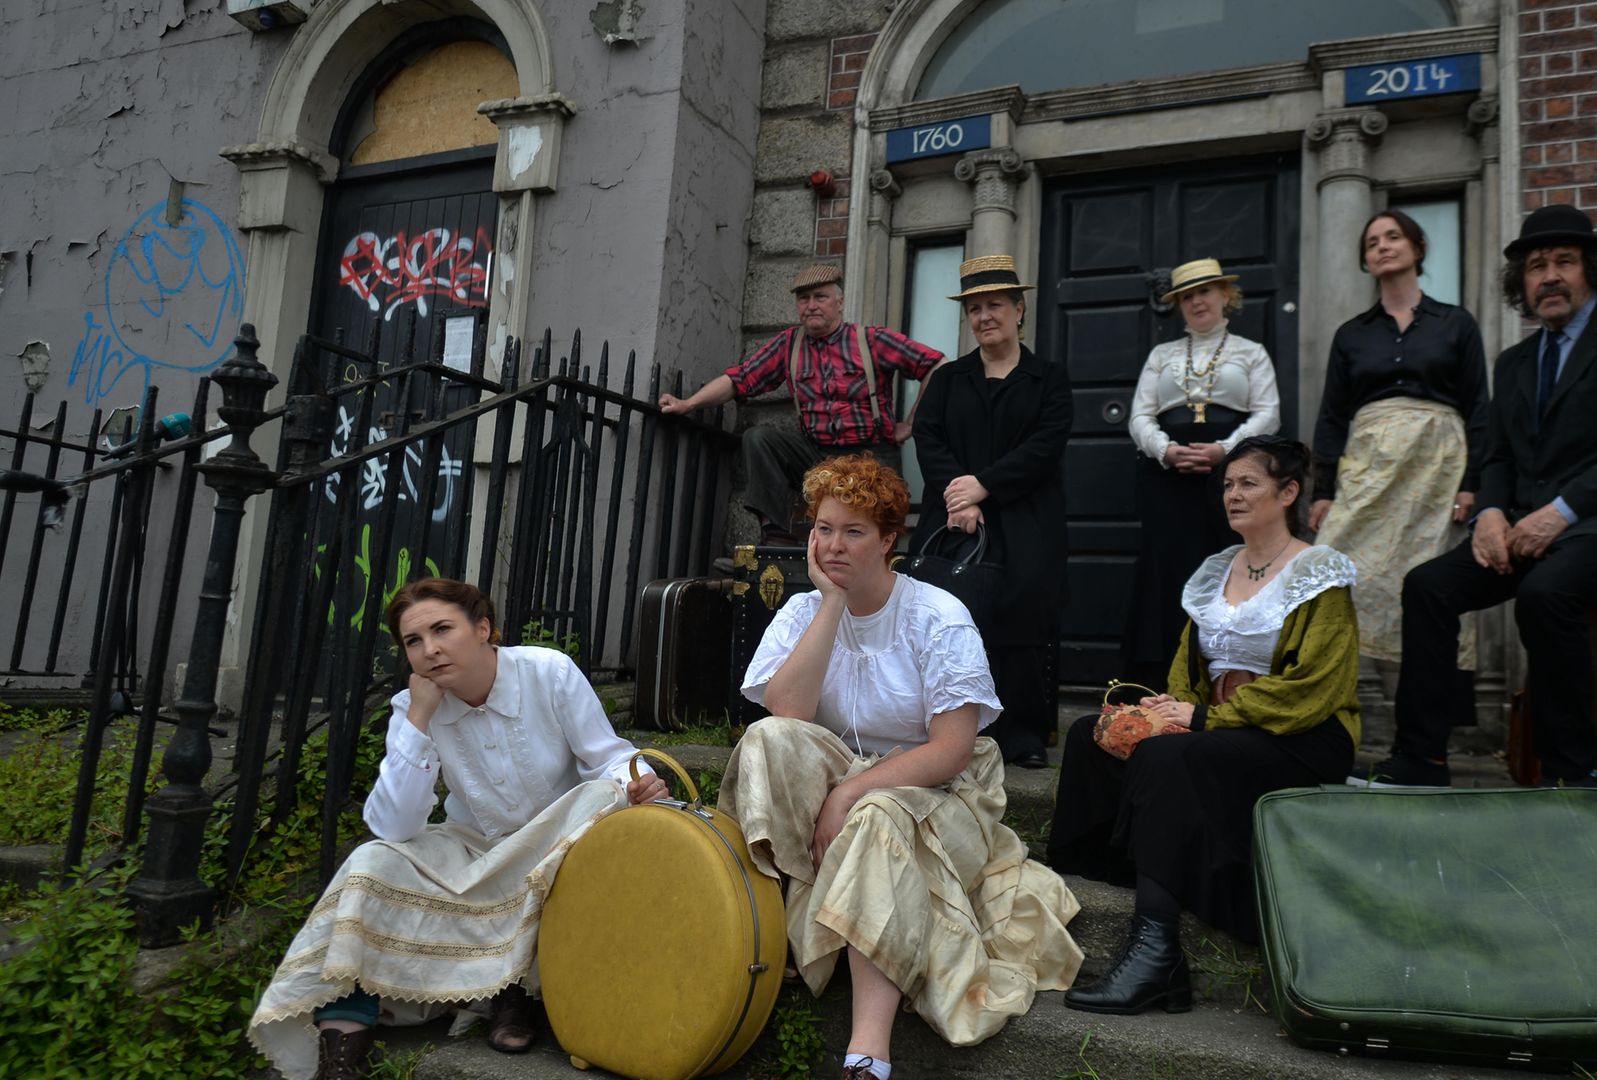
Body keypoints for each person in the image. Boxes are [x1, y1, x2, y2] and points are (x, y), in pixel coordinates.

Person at [719, 455, 1082, 1080]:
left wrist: (851, 792)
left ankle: (869, 1050)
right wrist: (831, 601)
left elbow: (951, 750)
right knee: (767, 740)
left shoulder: (937, 616)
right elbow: (786, 714)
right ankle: (761, 928)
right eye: (825, 528)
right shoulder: (806, 612)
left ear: (889, 540)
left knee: (876, 813)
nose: (834, 545)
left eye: (854, 532)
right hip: (843, 775)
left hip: (938, 790)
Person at [248, 578, 667, 1080]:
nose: (430, 650)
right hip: (474, 850)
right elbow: (395, 825)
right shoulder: (412, 710)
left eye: (442, 629)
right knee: (371, 861)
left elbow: (610, 760)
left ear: (483, 627)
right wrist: (419, 718)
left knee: (602, 798)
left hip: (561, 842)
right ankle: (342, 1056)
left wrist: (634, 784)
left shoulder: (547, 672)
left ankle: (515, 991)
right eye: (413, 641)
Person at [1354, 203, 1597, 789]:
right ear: (1522, 284)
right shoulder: (1514, 362)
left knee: (1544, 594)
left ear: (1592, 270)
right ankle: (1421, 761)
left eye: (1564, 261)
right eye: (1536, 267)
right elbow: (1500, 457)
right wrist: (1488, 514)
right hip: (1527, 526)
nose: (1549, 276)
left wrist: (1559, 514)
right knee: (1427, 587)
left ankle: (1569, 775)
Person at [1048, 436, 1359, 1015]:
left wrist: (1202, 718)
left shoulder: (1319, 573)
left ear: (1289, 492)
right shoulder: (1218, 569)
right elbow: (1189, 668)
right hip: (1220, 725)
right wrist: (1169, 712)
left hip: (1299, 735)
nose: (1233, 495)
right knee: (1092, 734)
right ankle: (1115, 867)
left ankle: (1156, 955)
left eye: (1249, 484)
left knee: (1167, 759)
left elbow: (1315, 688)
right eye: (1228, 484)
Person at [1309, 209, 1489, 693]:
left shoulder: (1455, 324)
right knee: (1328, 569)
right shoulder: (1352, 334)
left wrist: (1474, 483)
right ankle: (1321, 700)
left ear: (1418, 248)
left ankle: (1426, 717)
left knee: (1428, 580)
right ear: (1366, 262)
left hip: (1438, 469)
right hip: (1369, 465)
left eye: (1393, 237)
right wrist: (1323, 491)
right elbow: (1331, 417)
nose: (1383, 246)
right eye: (1372, 243)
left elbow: (1479, 408)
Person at [910, 255, 1072, 769]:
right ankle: (945, 726)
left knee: (1022, 616)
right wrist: (959, 496)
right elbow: (927, 437)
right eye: (974, 308)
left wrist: (984, 486)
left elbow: (1045, 446)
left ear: (1019, 309)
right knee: (949, 618)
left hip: (1026, 518)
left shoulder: (1048, 378)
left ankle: (1022, 729)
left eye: (995, 305)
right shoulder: (949, 379)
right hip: (953, 519)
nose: (984, 316)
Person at [659, 264, 944, 543]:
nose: (811, 305)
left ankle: (880, 552)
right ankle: (775, 536)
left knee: (869, 527)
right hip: (816, 455)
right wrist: (688, 405)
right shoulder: (788, 344)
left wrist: (912, 423)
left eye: (821, 297)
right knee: (759, 439)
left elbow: (936, 366)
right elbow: (739, 379)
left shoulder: (871, 340)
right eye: (803, 299)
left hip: (871, 456)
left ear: (840, 303)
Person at [1122, 257, 1280, 684]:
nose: (1197, 302)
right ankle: (1161, 681)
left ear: (1225, 295)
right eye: (1187, 296)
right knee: (1165, 573)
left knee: (1227, 566)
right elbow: (1139, 417)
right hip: (1167, 478)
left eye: (1204, 292)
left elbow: (1269, 413)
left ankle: (1224, 677)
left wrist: (1226, 452)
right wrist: (1166, 450)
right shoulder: (1162, 354)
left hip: (1231, 478)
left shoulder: (1252, 352)